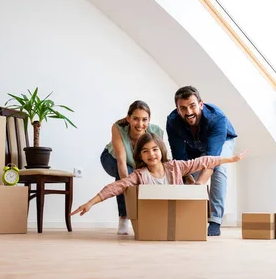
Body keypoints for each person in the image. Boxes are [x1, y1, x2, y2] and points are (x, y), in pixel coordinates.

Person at [73, 133, 248, 217]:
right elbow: (116, 187)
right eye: (145, 151)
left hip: (177, 214)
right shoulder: (140, 175)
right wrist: (90, 203)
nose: (152, 154)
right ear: (140, 156)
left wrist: (230, 159)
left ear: (161, 150)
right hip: (154, 217)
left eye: (155, 149)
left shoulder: (175, 167)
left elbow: (204, 161)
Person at [166, 86, 238, 237]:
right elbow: (180, 160)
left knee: (219, 167)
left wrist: (198, 186)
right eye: (183, 108)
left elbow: (212, 158)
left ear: (201, 104)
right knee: (184, 175)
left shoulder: (217, 117)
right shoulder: (173, 122)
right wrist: (190, 181)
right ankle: (188, 218)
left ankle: (215, 220)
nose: (189, 112)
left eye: (192, 106)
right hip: (194, 145)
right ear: (177, 110)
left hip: (223, 141)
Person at [100, 100, 164, 235]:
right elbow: (121, 162)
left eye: (144, 120)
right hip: (111, 159)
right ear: (128, 118)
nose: (140, 124)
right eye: (135, 119)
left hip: (136, 164)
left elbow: (158, 160)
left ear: (149, 120)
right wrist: (128, 192)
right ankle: (124, 217)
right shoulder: (118, 128)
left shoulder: (156, 131)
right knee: (126, 175)